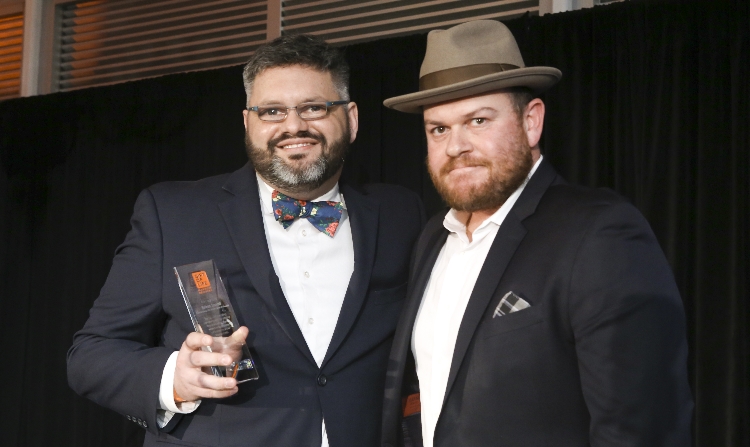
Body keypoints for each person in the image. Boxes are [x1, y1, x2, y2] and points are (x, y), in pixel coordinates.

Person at [67, 34, 424, 447]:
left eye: (314, 107)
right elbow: (91, 355)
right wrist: (175, 378)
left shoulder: (401, 214)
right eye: (272, 111)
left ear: (352, 118)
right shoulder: (174, 214)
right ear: (247, 123)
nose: (294, 126)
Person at [380, 20, 693, 447]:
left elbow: (644, 428)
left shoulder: (599, 232)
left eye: (478, 120)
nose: (455, 146)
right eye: (439, 128)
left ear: (531, 122)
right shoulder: (434, 237)